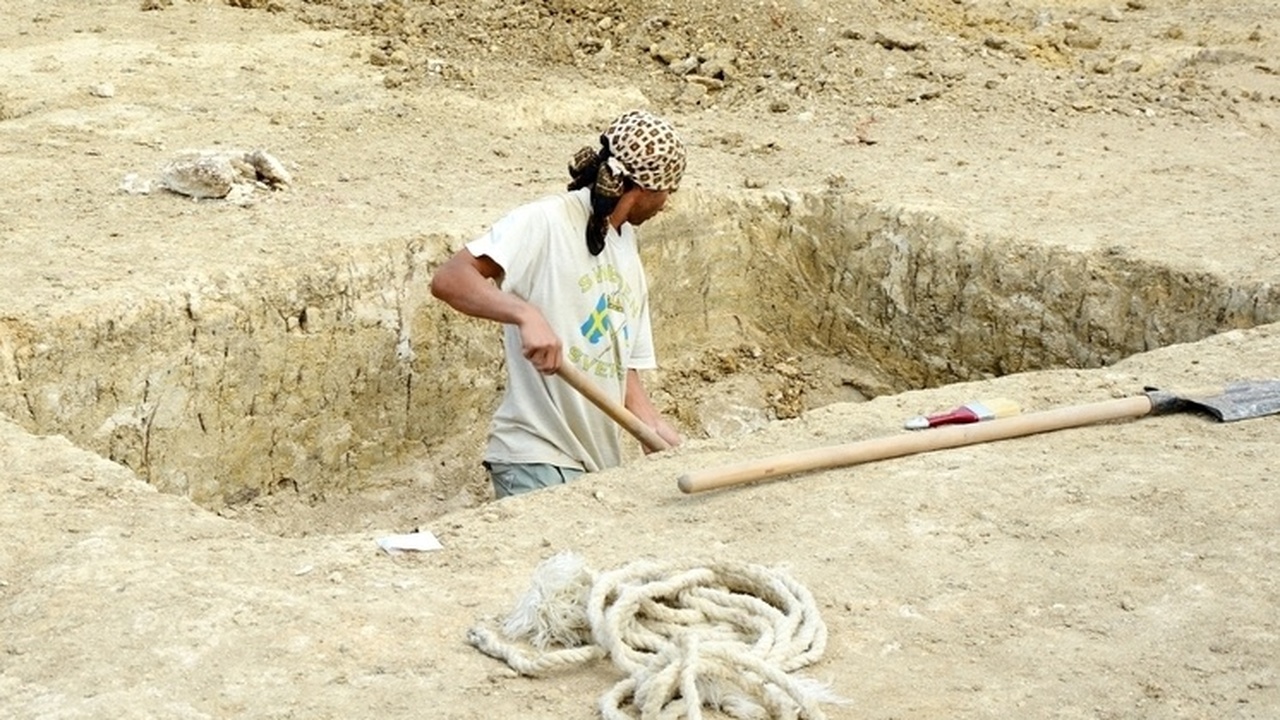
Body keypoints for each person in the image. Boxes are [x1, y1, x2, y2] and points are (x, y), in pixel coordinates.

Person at [429, 109, 686, 499]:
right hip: (536, 455)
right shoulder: (546, 221)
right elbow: (450, 278)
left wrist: (651, 426)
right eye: (667, 190)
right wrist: (525, 314)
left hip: (597, 465)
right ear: (643, 188)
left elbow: (619, 363)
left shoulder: (624, 245)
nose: (666, 203)